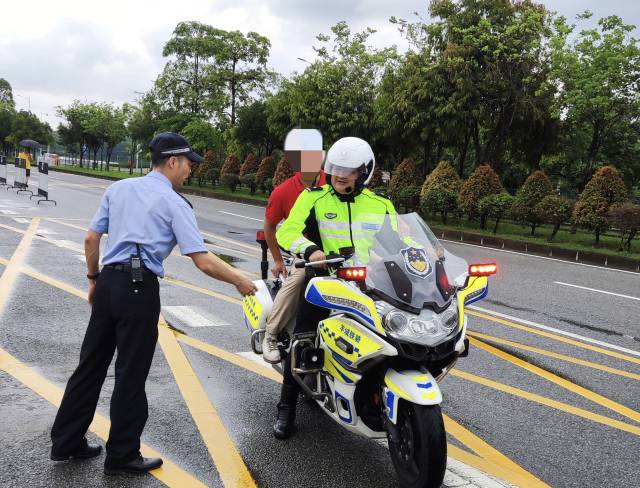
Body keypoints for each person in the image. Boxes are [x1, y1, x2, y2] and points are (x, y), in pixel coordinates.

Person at [50, 132, 257, 475]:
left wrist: (93, 280)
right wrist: (240, 280)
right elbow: (202, 260)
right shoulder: (175, 203)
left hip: (107, 283)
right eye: (189, 163)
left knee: (90, 366)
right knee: (130, 374)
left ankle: (67, 442)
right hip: (138, 288)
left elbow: (91, 238)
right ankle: (122, 455)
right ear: (172, 160)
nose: (191, 169)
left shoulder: (118, 189)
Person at [273, 137, 397, 438]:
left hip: (370, 285)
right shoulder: (314, 197)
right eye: (337, 168)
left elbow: (397, 243)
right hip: (327, 280)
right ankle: (286, 408)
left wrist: (424, 254)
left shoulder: (381, 205)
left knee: (392, 336)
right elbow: (287, 231)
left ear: (364, 172)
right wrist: (310, 250)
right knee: (302, 341)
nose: (341, 175)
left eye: (349, 170)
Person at [262, 128, 326, 363]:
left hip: (340, 253)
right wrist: (278, 260)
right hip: (306, 255)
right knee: (297, 280)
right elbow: (270, 228)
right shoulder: (283, 192)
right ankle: (270, 334)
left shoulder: (333, 183)